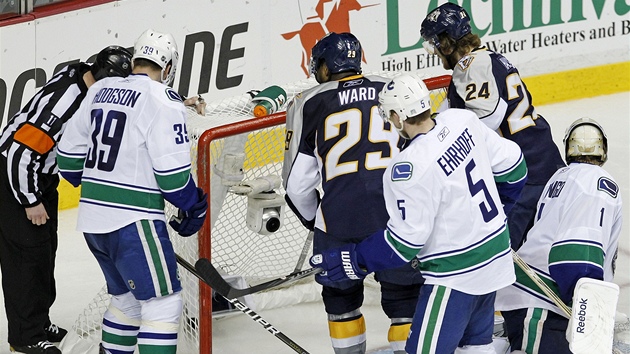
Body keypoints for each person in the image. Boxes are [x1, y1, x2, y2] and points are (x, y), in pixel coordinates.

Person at [309, 73, 528, 354]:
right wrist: (495, 218)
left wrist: (352, 259)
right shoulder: (462, 120)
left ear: (398, 118)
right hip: (495, 258)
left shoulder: (408, 168)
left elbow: (404, 244)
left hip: (455, 276)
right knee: (476, 346)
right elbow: (515, 169)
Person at [56, 29, 208, 354]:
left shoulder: (102, 89)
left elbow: (67, 164)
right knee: (163, 304)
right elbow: (173, 181)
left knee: (127, 301)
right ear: (168, 68)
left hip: (92, 222)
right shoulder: (164, 101)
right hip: (134, 224)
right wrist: (194, 207)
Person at [282, 32, 424, 354]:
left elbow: (296, 184)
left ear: (327, 66)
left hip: (339, 221)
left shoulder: (308, 101)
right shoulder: (391, 87)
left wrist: (314, 218)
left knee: (341, 301)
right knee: (405, 300)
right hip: (396, 215)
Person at [0, 45, 132, 354]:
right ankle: (26, 336)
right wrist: (30, 200)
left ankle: (39, 321)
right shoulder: (67, 105)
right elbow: (19, 154)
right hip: (15, 178)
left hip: (41, 175)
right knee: (26, 259)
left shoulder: (82, 75)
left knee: (45, 251)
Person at [420, 3, 565, 250]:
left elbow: (484, 123)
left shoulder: (471, 66)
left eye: (434, 43)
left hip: (524, 177)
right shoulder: (491, 59)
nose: (434, 51)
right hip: (545, 162)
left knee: (495, 256)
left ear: (447, 42)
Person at [495, 118, 622, 353]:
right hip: (546, 302)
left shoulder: (559, 177)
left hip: (537, 296)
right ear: (603, 148)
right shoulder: (597, 183)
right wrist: (588, 309)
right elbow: (575, 255)